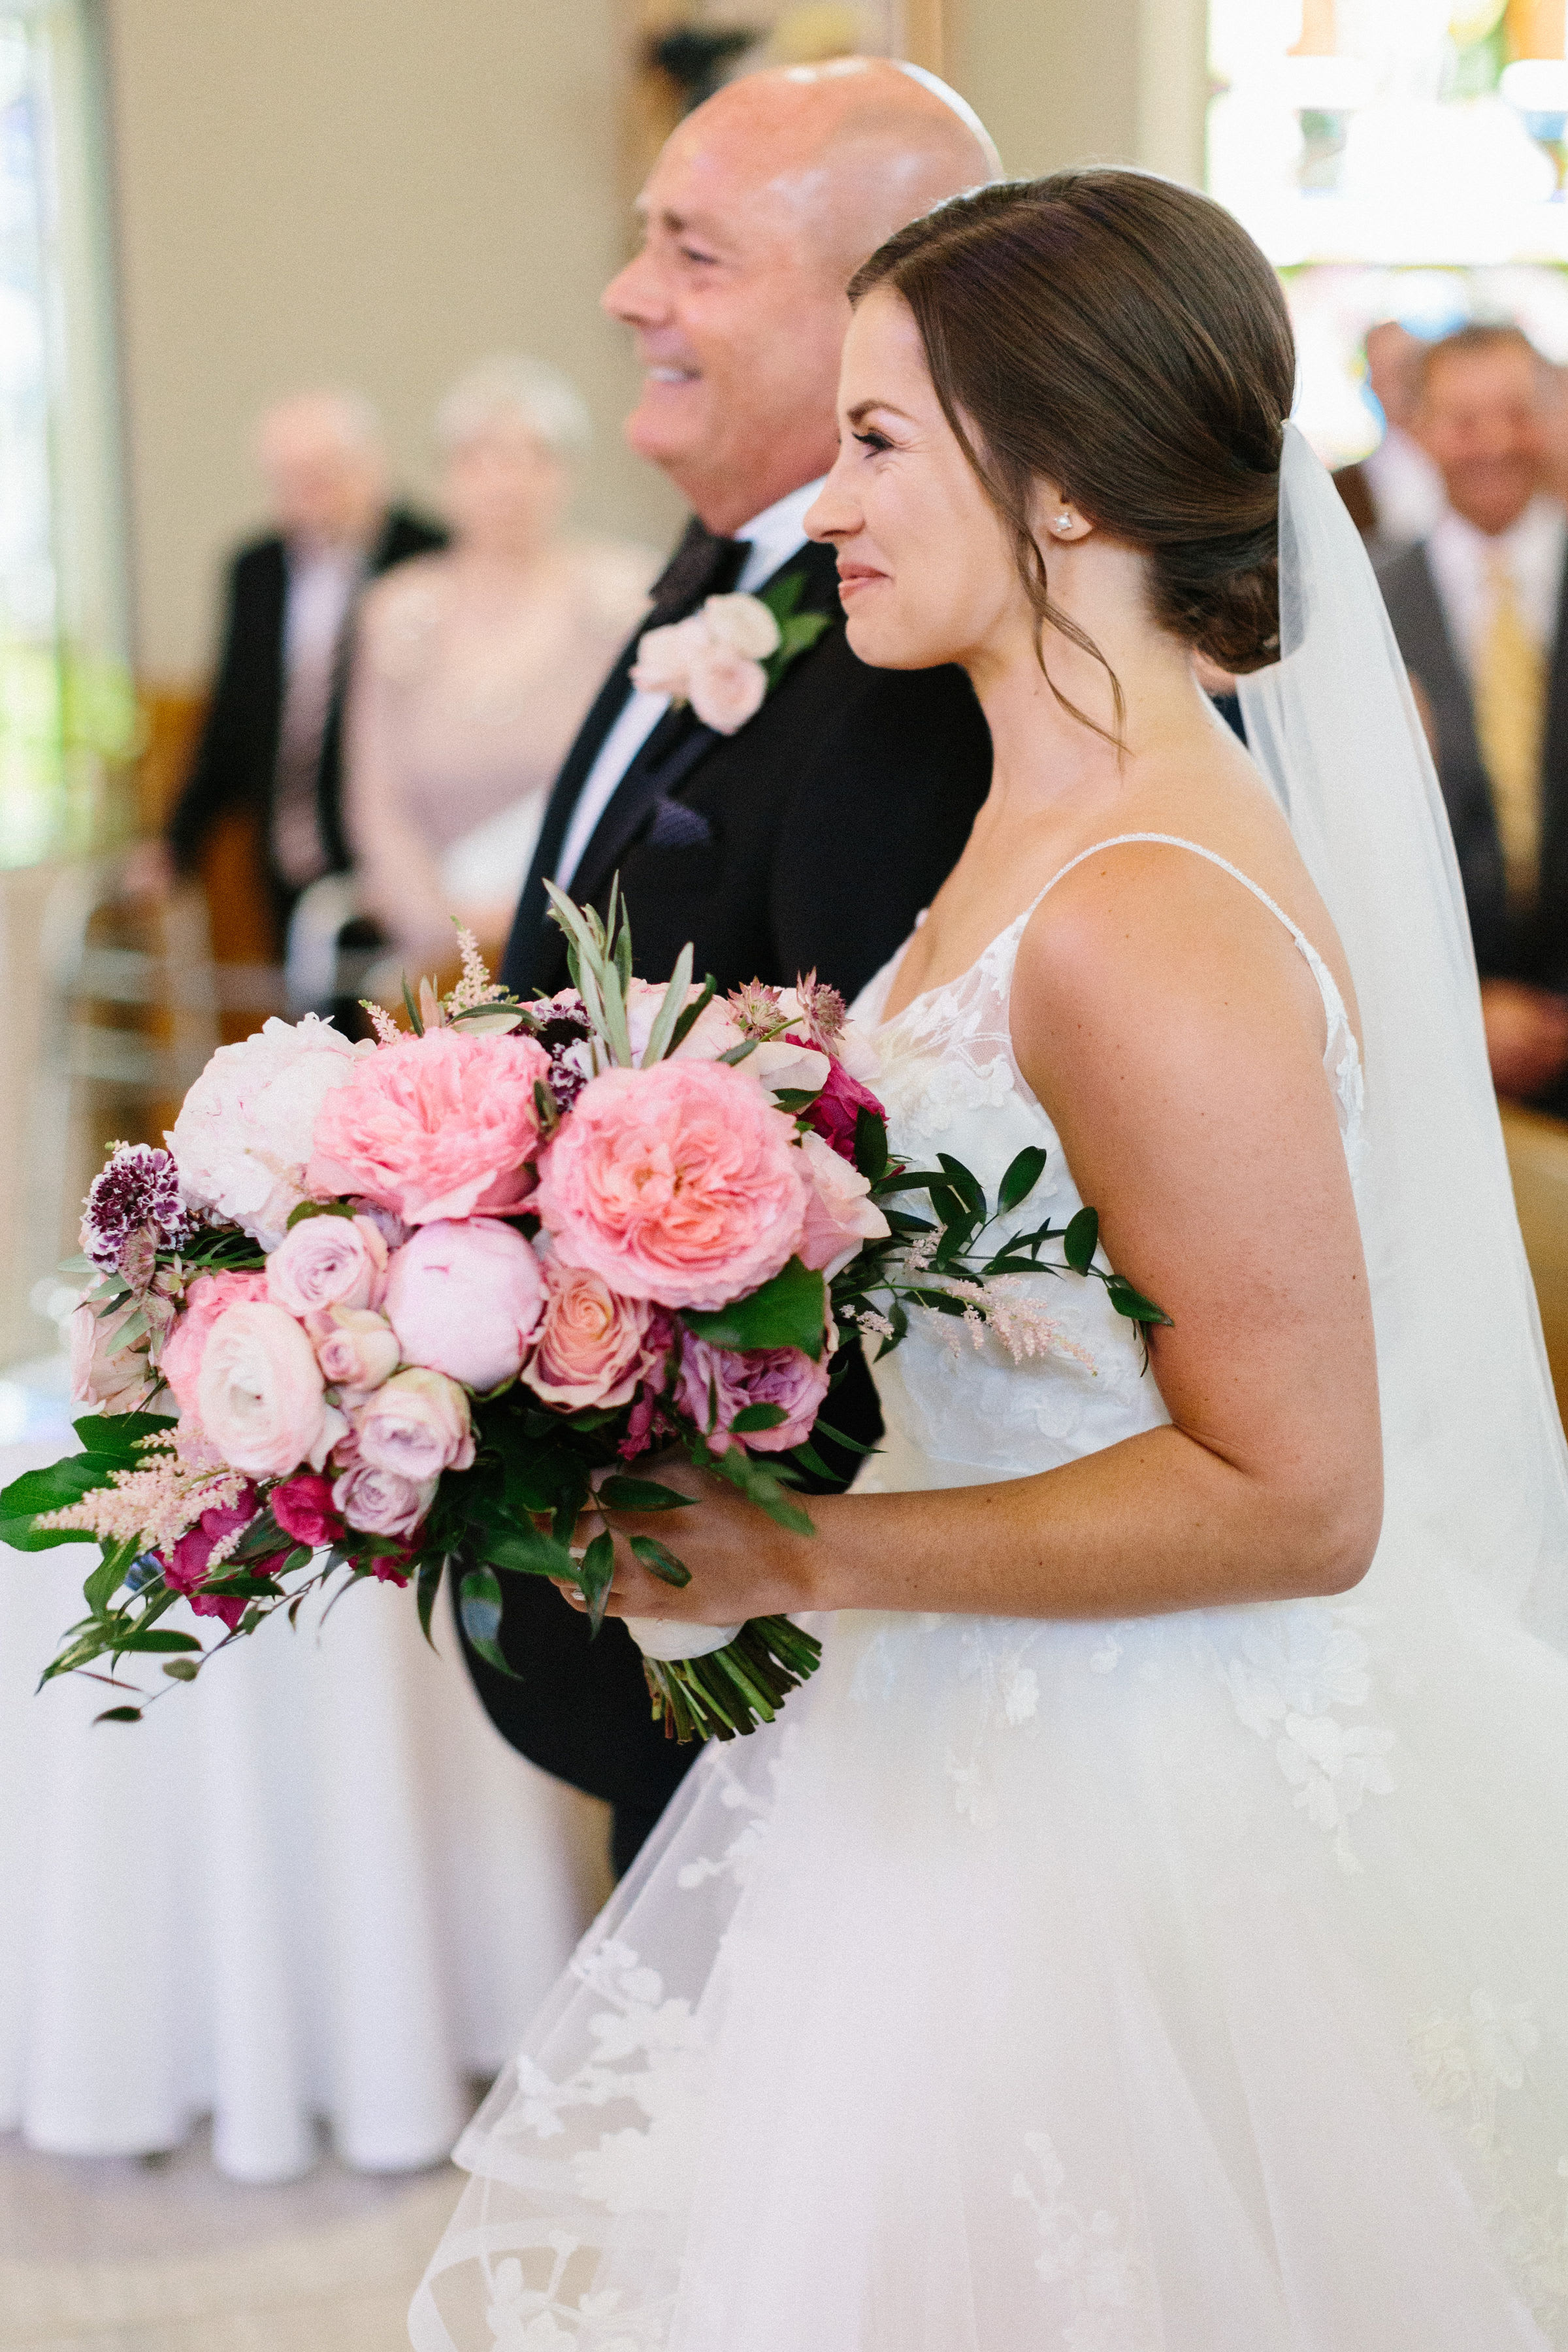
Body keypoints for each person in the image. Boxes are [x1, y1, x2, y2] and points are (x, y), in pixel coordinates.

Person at [413, 173, 1568, 2350]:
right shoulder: (1029, 819)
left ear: (1064, 485)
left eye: (878, 442)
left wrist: (799, 1550)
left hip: (1147, 1787)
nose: (831, 503)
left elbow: (1302, 1497)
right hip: (959, 1722)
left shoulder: (1144, 909)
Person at [468, 59, 999, 1877]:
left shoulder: (910, 690)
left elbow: (897, 1202)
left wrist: (734, 1565)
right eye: (645, 241)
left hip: (778, 1661)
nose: (629, 294)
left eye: (694, 256)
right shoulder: (729, 572)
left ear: (883, 323)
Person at [344, 359, 657, 971]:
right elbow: (375, 800)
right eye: (480, 458)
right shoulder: (397, 610)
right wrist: (443, 926)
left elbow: (643, 788)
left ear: (567, 472)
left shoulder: (622, 597)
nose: (506, 482)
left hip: (592, 937)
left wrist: (550, 918)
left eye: (533, 457)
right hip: (438, 947)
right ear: (446, 474)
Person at [150, 392, 444, 943]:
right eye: (286, 481)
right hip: (284, 851)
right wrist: (178, 841)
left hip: (396, 863)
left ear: (370, 467)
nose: (304, 497)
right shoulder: (256, 569)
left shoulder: (429, 559)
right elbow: (231, 716)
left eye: (320, 476)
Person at [1377, 324, 1568, 1108]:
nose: (1493, 443)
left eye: (1516, 413)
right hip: (1431, 1049)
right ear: (1419, 429)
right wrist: (1457, 1010)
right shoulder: (1365, 603)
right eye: (1463, 420)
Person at [1333, 318, 1444, 547]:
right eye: (1381, 373)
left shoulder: (1464, 451)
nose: (1398, 383)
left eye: (1403, 367)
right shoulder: (1351, 486)